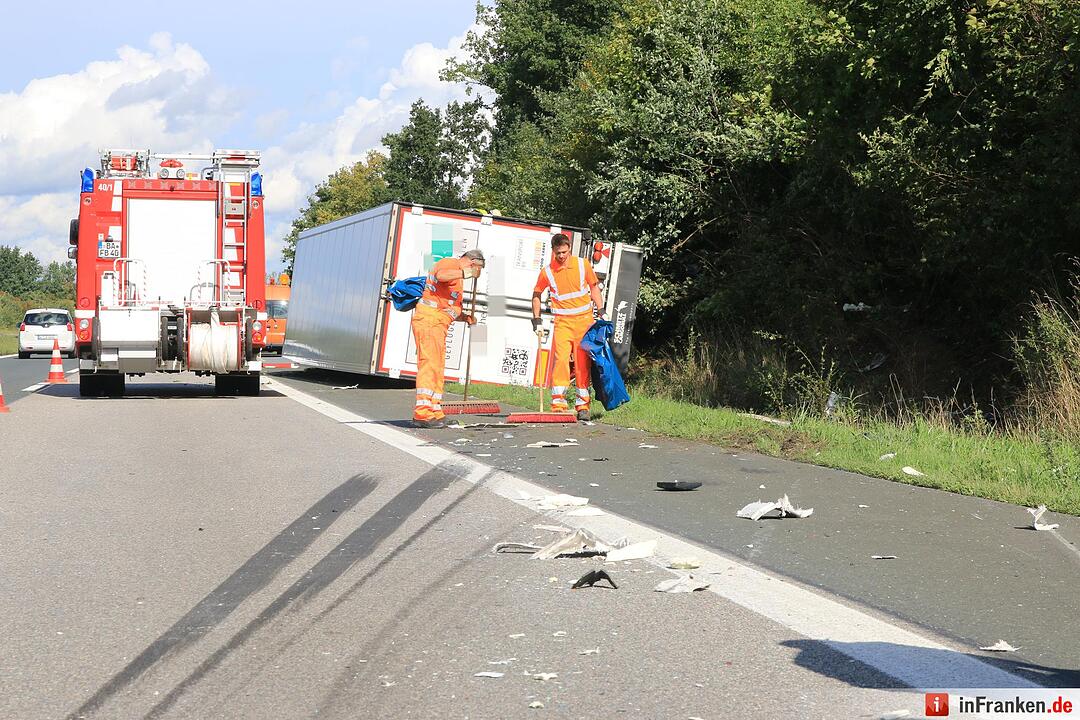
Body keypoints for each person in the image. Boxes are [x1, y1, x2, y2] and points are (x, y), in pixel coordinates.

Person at [531, 233, 604, 420]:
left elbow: (594, 287)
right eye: (558, 253)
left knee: (582, 363)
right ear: (553, 251)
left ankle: (583, 406)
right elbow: (537, 294)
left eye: (564, 252)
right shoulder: (547, 272)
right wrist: (536, 319)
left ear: (569, 248)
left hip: (584, 322)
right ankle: (558, 402)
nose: (561, 256)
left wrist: (601, 310)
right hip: (562, 322)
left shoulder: (582, 264)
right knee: (561, 360)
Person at [411, 249, 485, 428]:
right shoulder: (451, 264)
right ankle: (422, 413)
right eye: (478, 268)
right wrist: (466, 273)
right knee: (429, 364)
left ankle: (435, 410)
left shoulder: (458, 280)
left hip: (439, 324)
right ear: (471, 262)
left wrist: (465, 316)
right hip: (429, 320)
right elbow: (441, 275)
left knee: (437, 366)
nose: (478, 273)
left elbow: (447, 306)